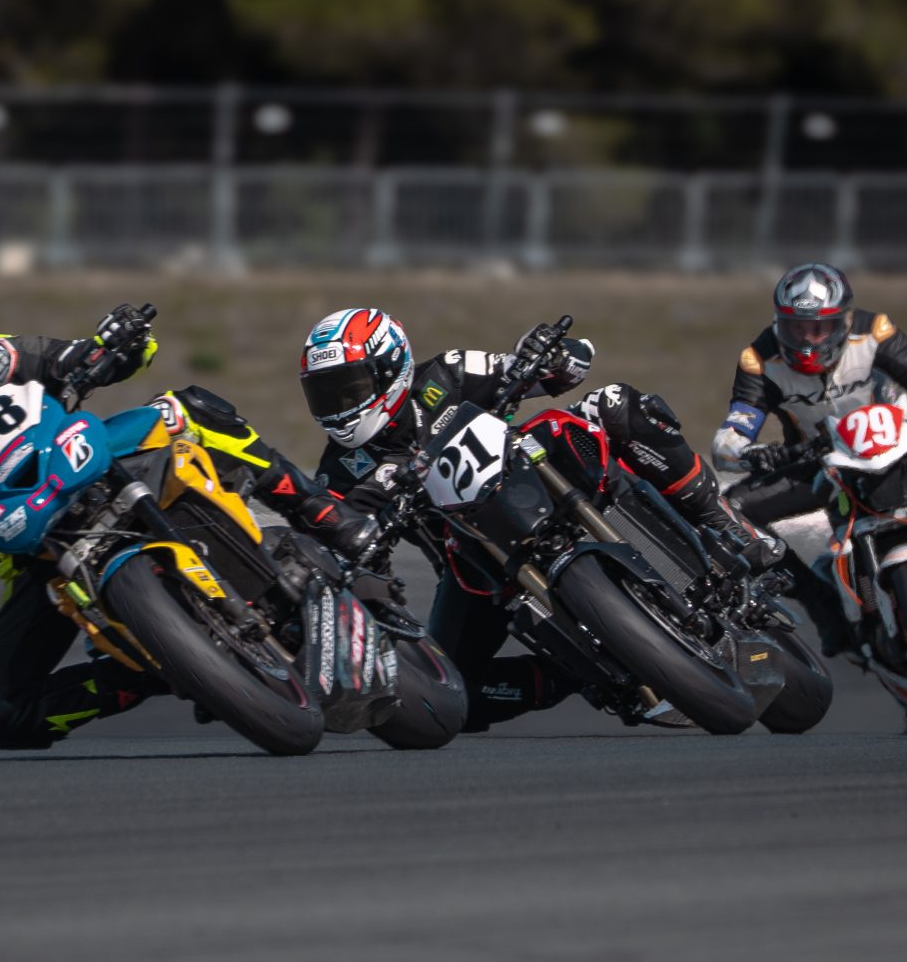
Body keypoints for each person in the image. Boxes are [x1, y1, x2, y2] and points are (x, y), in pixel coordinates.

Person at [0, 274, 370, 750]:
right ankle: (155, 670)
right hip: (37, 553)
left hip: (85, 466)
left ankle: (314, 507)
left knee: (186, 410)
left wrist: (116, 346)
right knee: (0, 715)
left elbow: (73, 360)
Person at [296, 307, 774, 731]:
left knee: (614, 403)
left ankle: (723, 520)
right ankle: (573, 674)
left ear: (390, 369)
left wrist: (554, 356)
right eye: (326, 394)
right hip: (474, 560)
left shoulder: (447, 372)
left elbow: (554, 368)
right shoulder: (338, 472)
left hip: (532, 469)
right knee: (452, 694)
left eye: (349, 387)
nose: (339, 405)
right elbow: (347, 544)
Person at [711, 262, 907, 648]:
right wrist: (753, 454)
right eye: (797, 328)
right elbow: (732, 434)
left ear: (843, 321)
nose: (808, 341)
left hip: (901, 446)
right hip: (823, 463)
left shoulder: (874, 331)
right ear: (778, 322)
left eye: (819, 328)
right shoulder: (759, 359)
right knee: (732, 510)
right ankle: (821, 604)